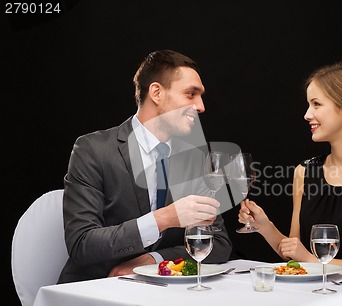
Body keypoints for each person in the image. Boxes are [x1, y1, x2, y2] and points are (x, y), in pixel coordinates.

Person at [58, 50, 232, 283]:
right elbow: (82, 244)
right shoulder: (93, 150)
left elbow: (218, 244)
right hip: (97, 289)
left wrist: (154, 259)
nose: (201, 106)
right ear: (157, 93)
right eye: (191, 94)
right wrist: (164, 219)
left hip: (166, 294)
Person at [239, 62, 342, 277]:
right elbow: (294, 255)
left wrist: (312, 261)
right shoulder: (304, 172)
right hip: (313, 293)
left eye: (316, 104)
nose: (307, 114)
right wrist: (264, 226)